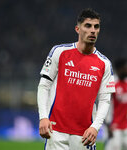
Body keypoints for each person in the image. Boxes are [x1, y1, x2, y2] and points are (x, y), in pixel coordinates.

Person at [37, 8, 115, 150]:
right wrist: (43, 116)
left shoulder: (105, 64)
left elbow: (105, 100)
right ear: (77, 29)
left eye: (96, 27)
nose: (93, 30)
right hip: (56, 131)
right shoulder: (59, 52)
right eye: (88, 26)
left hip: (85, 134)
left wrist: (95, 127)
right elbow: (44, 86)